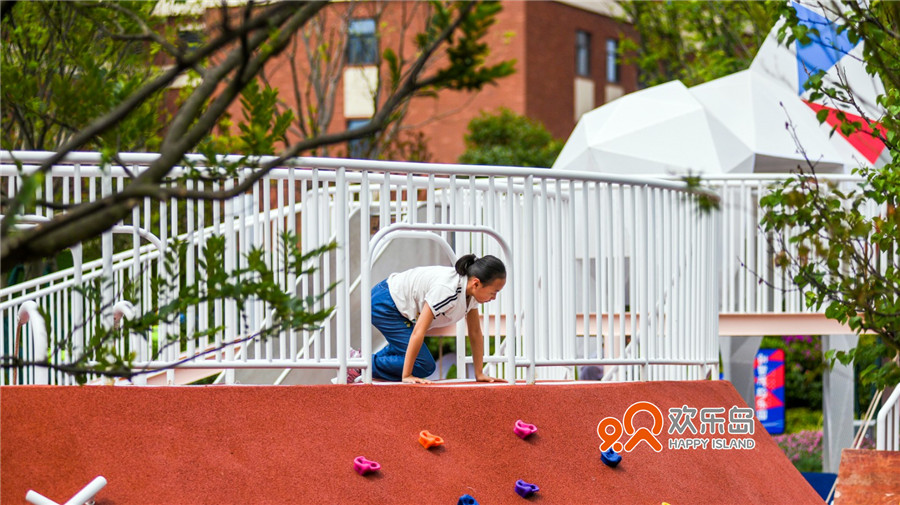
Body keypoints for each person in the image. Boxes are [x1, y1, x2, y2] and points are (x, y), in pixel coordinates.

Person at [366, 254, 507, 384]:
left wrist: (479, 373)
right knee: (423, 364)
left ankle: (363, 362)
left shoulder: (471, 293)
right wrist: (407, 375)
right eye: (493, 292)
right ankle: (360, 364)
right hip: (386, 302)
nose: (494, 298)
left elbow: (475, 332)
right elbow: (418, 331)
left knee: (406, 353)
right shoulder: (448, 290)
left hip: (397, 305)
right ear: (476, 283)